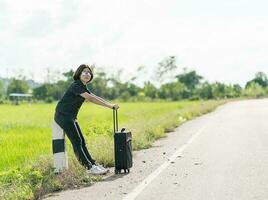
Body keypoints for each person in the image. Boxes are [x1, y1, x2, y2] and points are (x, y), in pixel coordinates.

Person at [54, 64, 119, 175]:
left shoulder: (83, 87)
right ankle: (89, 168)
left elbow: (95, 96)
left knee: (82, 141)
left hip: (71, 116)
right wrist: (109, 106)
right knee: (77, 142)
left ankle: (93, 164)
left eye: (89, 72)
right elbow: (91, 98)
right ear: (79, 74)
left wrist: (110, 105)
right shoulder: (76, 85)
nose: (87, 74)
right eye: (84, 72)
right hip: (63, 116)